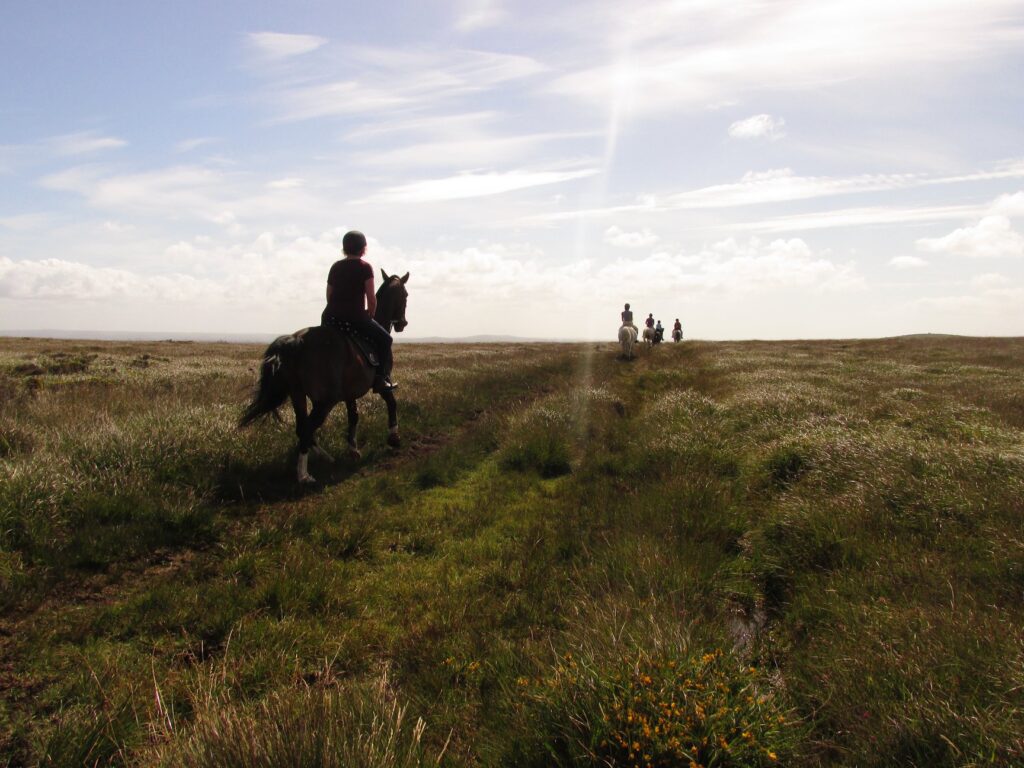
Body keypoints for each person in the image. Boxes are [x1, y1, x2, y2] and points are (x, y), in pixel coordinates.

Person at [321, 230, 396, 391]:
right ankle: (381, 379)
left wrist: (336, 309)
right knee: (386, 340)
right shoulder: (365, 267)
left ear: (344, 248)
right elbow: (371, 297)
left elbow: (329, 294)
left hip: (330, 316)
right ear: (363, 248)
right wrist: (370, 314)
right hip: (354, 316)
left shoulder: (335, 266)